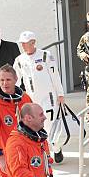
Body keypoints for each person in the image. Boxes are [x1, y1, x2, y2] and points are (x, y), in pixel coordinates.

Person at [13, 31, 65, 163]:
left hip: (49, 98)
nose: (23, 46)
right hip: (32, 99)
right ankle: (45, 154)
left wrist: (60, 94)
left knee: (50, 125)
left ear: (33, 42)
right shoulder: (19, 60)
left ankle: (56, 148)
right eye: (22, 44)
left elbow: (55, 75)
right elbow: (17, 80)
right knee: (35, 126)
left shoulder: (46, 56)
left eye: (26, 43)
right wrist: (15, 95)